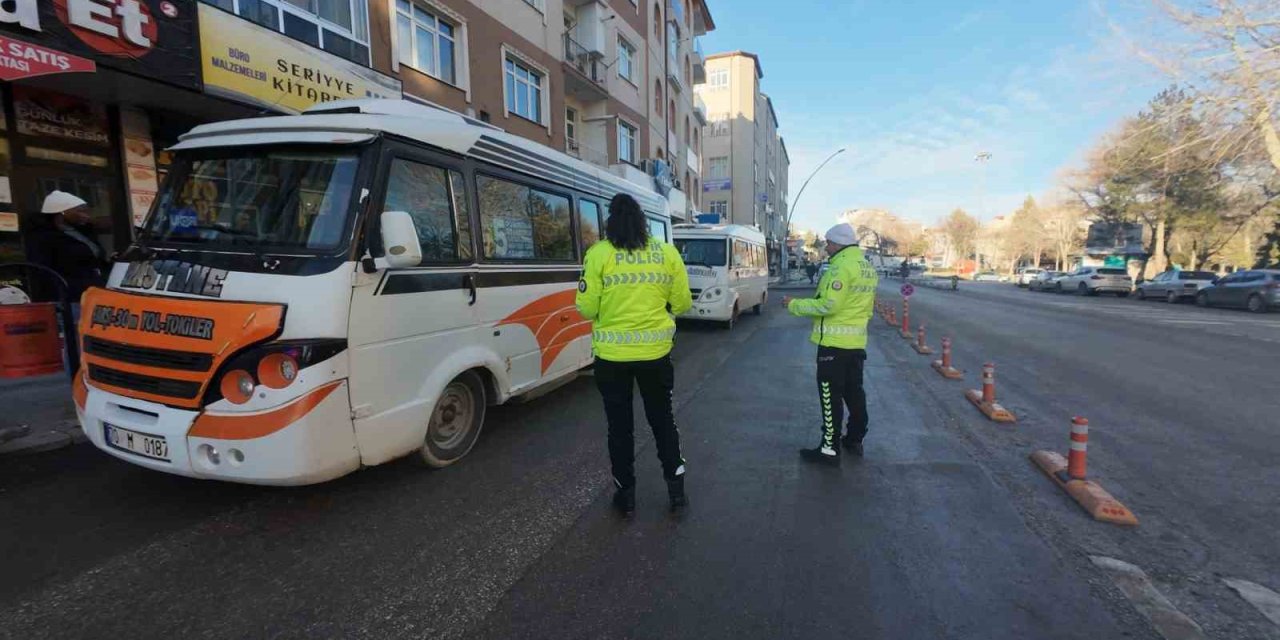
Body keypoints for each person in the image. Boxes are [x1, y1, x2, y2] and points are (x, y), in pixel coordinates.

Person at [577, 194, 694, 515]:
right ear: (643, 221)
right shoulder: (667, 254)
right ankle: (676, 491)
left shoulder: (598, 254)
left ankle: (625, 496)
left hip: (612, 359)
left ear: (610, 220)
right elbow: (683, 303)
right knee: (663, 421)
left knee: (620, 427)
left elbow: (586, 307)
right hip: (656, 355)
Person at [781, 223, 878, 465]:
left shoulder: (839, 268)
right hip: (856, 343)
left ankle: (829, 448)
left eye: (828, 242)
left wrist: (793, 304)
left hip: (834, 345)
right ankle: (855, 438)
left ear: (837, 244)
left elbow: (828, 305)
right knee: (854, 392)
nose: (826, 246)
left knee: (829, 395)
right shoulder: (866, 267)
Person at [26, 190, 108, 318]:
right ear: (62, 212)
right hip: (68, 299)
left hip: (94, 294)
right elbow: (42, 271)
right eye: (80, 211)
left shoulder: (84, 232)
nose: (86, 216)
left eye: (87, 211)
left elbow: (94, 259)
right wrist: (66, 289)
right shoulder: (43, 237)